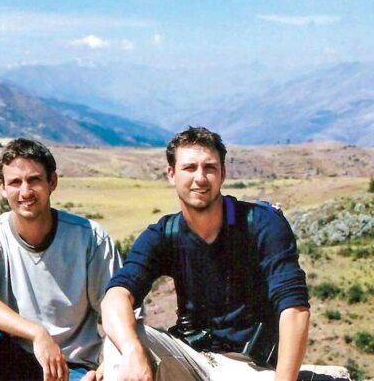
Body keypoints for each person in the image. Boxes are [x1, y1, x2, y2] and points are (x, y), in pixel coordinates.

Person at [101, 126, 310, 381]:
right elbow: (116, 296)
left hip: (250, 367)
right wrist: (132, 351)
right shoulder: (164, 234)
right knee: (119, 342)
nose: (200, 178)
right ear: (171, 174)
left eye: (209, 168)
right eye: (189, 168)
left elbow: (294, 308)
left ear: (223, 174)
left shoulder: (261, 225)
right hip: (190, 358)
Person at [0, 138, 120, 381]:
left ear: (52, 182)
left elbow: (120, 310)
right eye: (15, 182)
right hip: (12, 363)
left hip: (72, 369)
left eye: (34, 180)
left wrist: (110, 364)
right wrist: (36, 333)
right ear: (2, 187)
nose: (25, 192)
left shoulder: (90, 238)